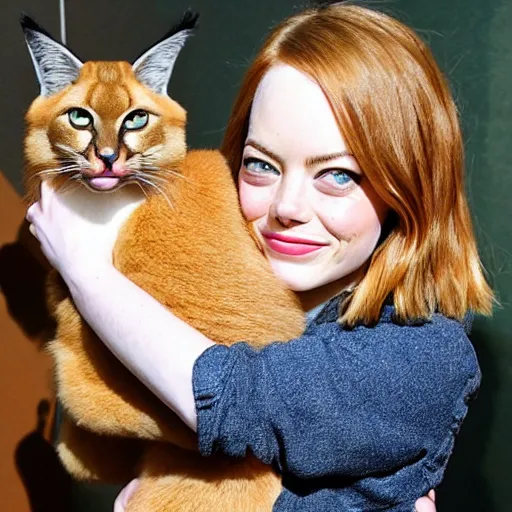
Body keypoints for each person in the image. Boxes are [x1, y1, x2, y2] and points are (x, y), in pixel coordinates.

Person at [26, 3, 493, 511]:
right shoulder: (217, 280)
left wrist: (86, 269)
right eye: (261, 165)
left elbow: (239, 400)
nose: (287, 208)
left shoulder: (425, 353)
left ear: (407, 186)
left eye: (338, 174)